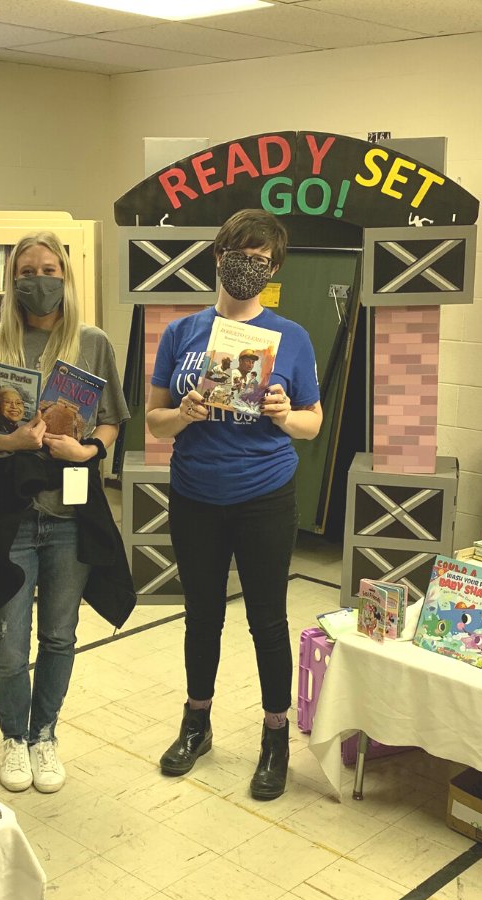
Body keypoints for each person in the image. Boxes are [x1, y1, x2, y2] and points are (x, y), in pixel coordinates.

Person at [0, 231, 135, 795]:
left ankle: (43, 735)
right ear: (13, 280)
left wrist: (87, 450)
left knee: (59, 634)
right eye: (27, 270)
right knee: (7, 642)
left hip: (69, 512)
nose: (39, 280)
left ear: (66, 274)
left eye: (49, 269)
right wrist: (13, 442)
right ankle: (12, 736)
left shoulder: (92, 341)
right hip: (9, 510)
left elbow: (111, 420)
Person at [146, 209, 322, 801]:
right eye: (239, 255)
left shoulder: (290, 337)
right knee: (202, 614)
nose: (249, 268)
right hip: (195, 492)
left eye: (262, 261)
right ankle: (197, 723)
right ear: (217, 256)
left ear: (273, 269)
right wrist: (184, 412)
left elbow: (313, 424)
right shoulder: (181, 333)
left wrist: (284, 415)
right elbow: (155, 419)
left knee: (267, 619)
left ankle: (276, 737)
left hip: (264, 494)